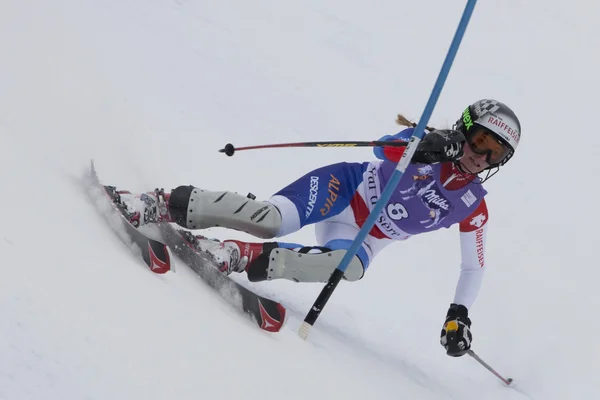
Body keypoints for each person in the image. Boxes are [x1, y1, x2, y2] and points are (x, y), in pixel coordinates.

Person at [114, 98, 521, 357]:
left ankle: (233, 255)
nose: (481, 157)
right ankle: (158, 203)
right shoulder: (430, 144)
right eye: (480, 141)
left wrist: (458, 316)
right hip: (343, 189)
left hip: (363, 237)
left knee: (352, 268)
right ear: (465, 129)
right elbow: (383, 147)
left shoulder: (473, 205)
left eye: (494, 154)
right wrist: (420, 149)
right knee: (272, 219)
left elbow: (474, 266)